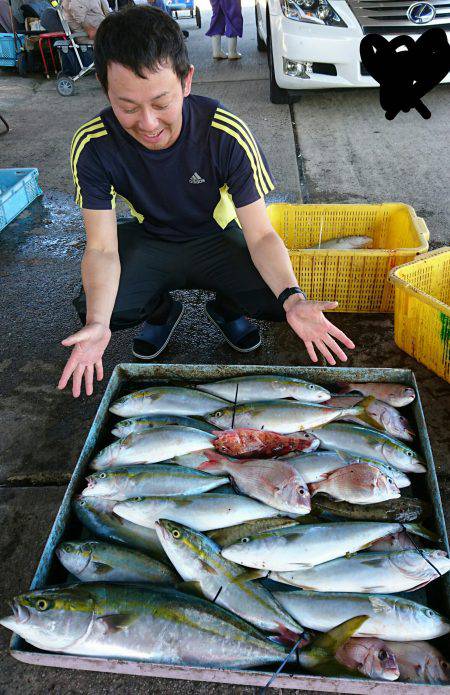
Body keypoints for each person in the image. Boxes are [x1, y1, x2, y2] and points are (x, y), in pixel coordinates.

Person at [58, 5, 354, 398]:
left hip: (215, 237)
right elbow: (100, 247)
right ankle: (162, 312)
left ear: (186, 81)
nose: (147, 123)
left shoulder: (225, 132)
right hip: (150, 238)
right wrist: (98, 322)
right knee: (100, 305)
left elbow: (262, 235)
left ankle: (227, 307)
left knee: (277, 298)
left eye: (161, 103)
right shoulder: (93, 144)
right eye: (127, 107)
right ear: (104, 88)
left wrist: (294, 298)